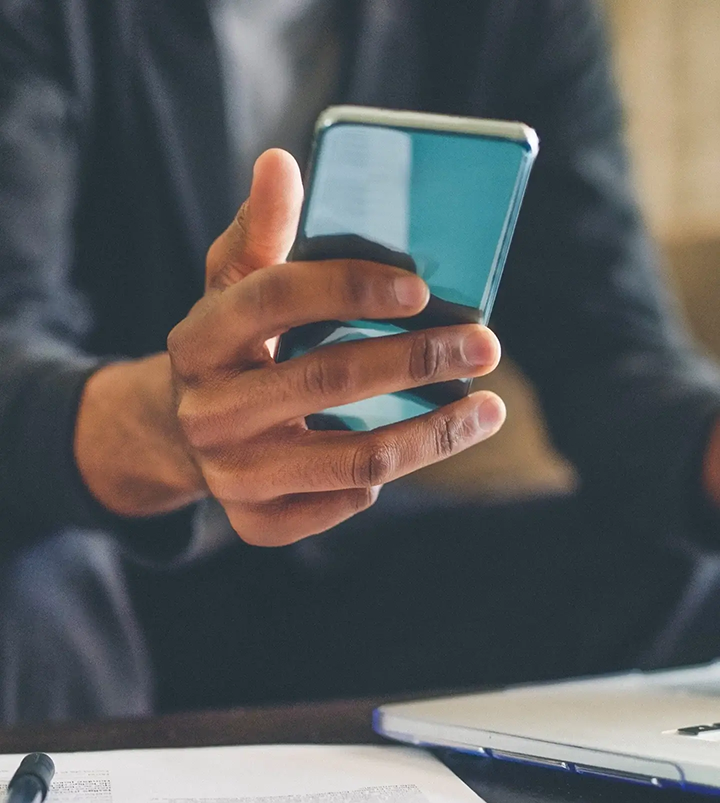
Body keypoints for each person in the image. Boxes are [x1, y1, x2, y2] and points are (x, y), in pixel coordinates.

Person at [2, 0, 720, 724]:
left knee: (692, 571)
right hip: (97, 551)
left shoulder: (521, 16)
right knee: (33, 585)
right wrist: (173, 430)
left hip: (351, 560)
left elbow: (608, 344)